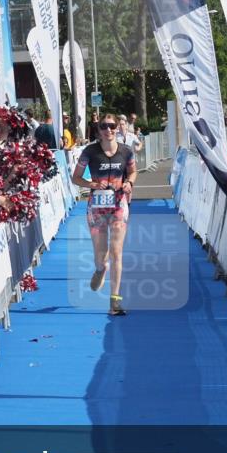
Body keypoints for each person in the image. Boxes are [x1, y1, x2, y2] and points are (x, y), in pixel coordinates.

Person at [70, 113, 137, 317]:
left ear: (118, 128)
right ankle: (100, 270)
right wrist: (92, 184)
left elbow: (133, 172)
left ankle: (114, 301)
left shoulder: (126, 151)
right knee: (101, 256)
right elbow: (76, 178)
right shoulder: (90, 152)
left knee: (116, 251)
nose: (108, 130)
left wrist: (129, 183)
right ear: (98, 130)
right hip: (97, 208)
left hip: (118, 206)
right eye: (104, 126)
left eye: (112, 126)